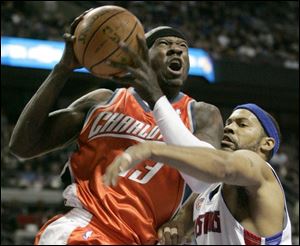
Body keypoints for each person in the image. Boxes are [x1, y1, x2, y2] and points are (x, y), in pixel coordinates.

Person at [9, 8, 223, 245]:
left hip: (143, 239)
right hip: (86, 229)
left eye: (183, 47)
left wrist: (182, 219)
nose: (177, 49)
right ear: (141, 56)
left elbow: (209, 178)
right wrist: (62, 70)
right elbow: (23, 145)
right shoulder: (103, 101)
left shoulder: (202, 114)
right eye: (164, 44)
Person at [104, 103, 292, 245]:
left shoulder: (261, 172)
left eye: (242, 125)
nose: (229, 128)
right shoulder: (209, 188)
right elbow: (183, 220)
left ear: (267, 143)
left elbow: (224, 166)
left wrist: (151, 149)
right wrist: (175, 227)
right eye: (229, 123)